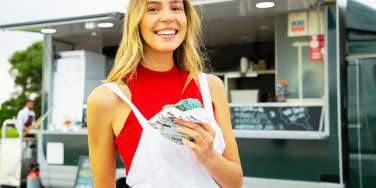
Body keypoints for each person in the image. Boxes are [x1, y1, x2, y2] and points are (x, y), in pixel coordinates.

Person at [87, 0, 243, 187]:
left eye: (176, 8)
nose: (168, 17)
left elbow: (235, 182)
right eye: (153, 9)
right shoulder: (108, 99)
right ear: (136, 21)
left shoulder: (211, 87)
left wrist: (209, 157)